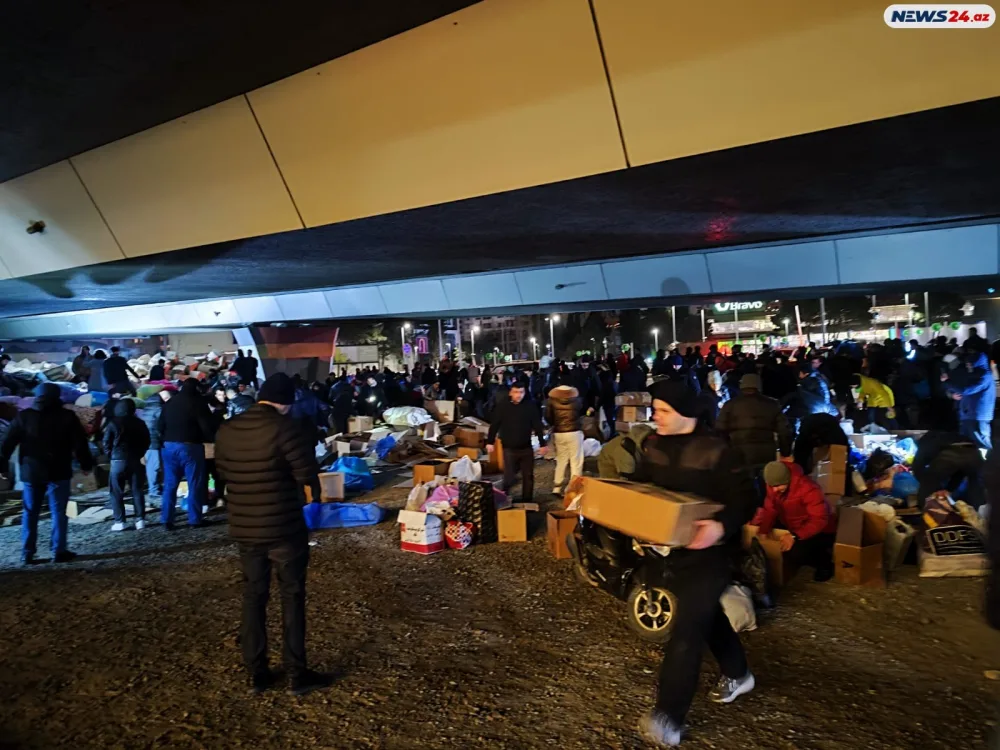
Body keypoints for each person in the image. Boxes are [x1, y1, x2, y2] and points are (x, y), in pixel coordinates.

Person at [634, 381, 756, 747]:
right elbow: (642, 489)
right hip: (670, 553)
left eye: (663, 410)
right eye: (655, 408)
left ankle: (668, 717)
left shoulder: (718, 451)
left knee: (687, 630)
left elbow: (747, 496)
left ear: (685, 413)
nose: (655, 415)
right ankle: (739, 673)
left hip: (712, 554)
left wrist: (720, 526)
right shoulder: (652, 445)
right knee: (705, 616)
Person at [215, 373, 330, 695]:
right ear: (286, 403)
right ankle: (296, 673)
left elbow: (221, 473)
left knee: (254, 596)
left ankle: (256, 671)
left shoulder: (228, 429)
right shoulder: (285, 429)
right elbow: (306, 474)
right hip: (284, 528)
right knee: (291, 597)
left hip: (245, 528)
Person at [1, 383, 94, 564]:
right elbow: (80, 443)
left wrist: (2, 467)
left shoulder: (24, 417)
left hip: (31, 471)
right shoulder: (67, 416)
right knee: (59, 511)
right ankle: (58, 551)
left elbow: (7, 442)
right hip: (59, 470)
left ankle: (27, 553)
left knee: (30, 512)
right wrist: (86, 464)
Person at [752, 460, 835, 582]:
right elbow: (770, 509)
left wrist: (794, 536)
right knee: (782, 547)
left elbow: (820, 519)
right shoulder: (773, 485)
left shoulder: (808, 488)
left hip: (818, 528)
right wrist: (763, 530)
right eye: (772, 486)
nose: (774, 490)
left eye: (778, 486)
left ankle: (825, 564)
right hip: (792, 523)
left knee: (798, 552)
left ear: (787, 480)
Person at [158, 378, 215, 530]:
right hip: (190, 447)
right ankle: (194, 519)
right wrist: (211, 439)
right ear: (196, 389)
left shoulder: (170, 403)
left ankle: (167, 520)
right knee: (194, 483)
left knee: (170, 484)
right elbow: (207, 427)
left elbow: (159, 425)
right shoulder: (197, 403)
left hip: (168, 446)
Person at [716, 373, 793, 471]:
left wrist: (727, 449)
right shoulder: (772, 404)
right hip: (765, 453)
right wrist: (785, 452)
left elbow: (720, 429)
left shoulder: (730, 405)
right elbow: (784, 431)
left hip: (738, 452)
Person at [486, 382, 548, 502]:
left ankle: (527, 500)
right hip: (509, 448)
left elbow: (537, 426)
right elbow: (495, 425)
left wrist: (542, 443)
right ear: (510, 393)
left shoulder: (530, 406)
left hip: (526, 448)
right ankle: (504, 498)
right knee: (509, 476)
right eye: (516, 392)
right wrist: (490, 441)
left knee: (528, 476)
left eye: (521, 392)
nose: (518, 395)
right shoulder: (503, 407)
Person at [102, 399, 151, 531]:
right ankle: (140, 520)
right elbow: (147, 440)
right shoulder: (140, 423)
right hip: (135, 459)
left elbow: (106, 442)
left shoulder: (113, 423)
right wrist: (140, 453)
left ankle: (120, 521)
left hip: (117, 461)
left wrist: (111, 455)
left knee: (116, 492)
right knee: (137, 490)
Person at [911, 431, 986, 509]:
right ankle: (977, 516)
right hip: (975, 454)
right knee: (976, 488)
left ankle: (925, 513)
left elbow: (917, 466)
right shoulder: (947, 435)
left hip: (951, 453)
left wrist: (927, 483)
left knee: (928, 484)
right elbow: (959, 473)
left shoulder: (926, 441)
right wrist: (948, 489)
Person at [946, 351, 995, 450]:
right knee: (966, 445)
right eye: (967, 364)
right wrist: (952, 395)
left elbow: (966, 390)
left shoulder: (985, 376)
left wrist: (947, 382)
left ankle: (988, 464)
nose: (968, 366)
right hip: (968, 415)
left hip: (978, 417)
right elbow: (958, 389)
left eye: (970, 364)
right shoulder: (972, 375)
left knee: (982, 446)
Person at [544, 385, 584, 497]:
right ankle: (573, 489)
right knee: (576, 461)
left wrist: (555, 424)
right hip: (574, 432)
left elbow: (548, 416)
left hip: (559, 433)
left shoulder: (551, 401)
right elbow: (581, 412)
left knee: (561, 460)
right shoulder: (577, 401)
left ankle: (557, 488)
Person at [141, 389, 169, 499]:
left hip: (147, 441)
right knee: (155, 467)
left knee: (151, 467)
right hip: (154, 442)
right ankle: (154, 490)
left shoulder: (146, 408)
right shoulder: (159, 409)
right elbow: (161, 427)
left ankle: (154, 488)